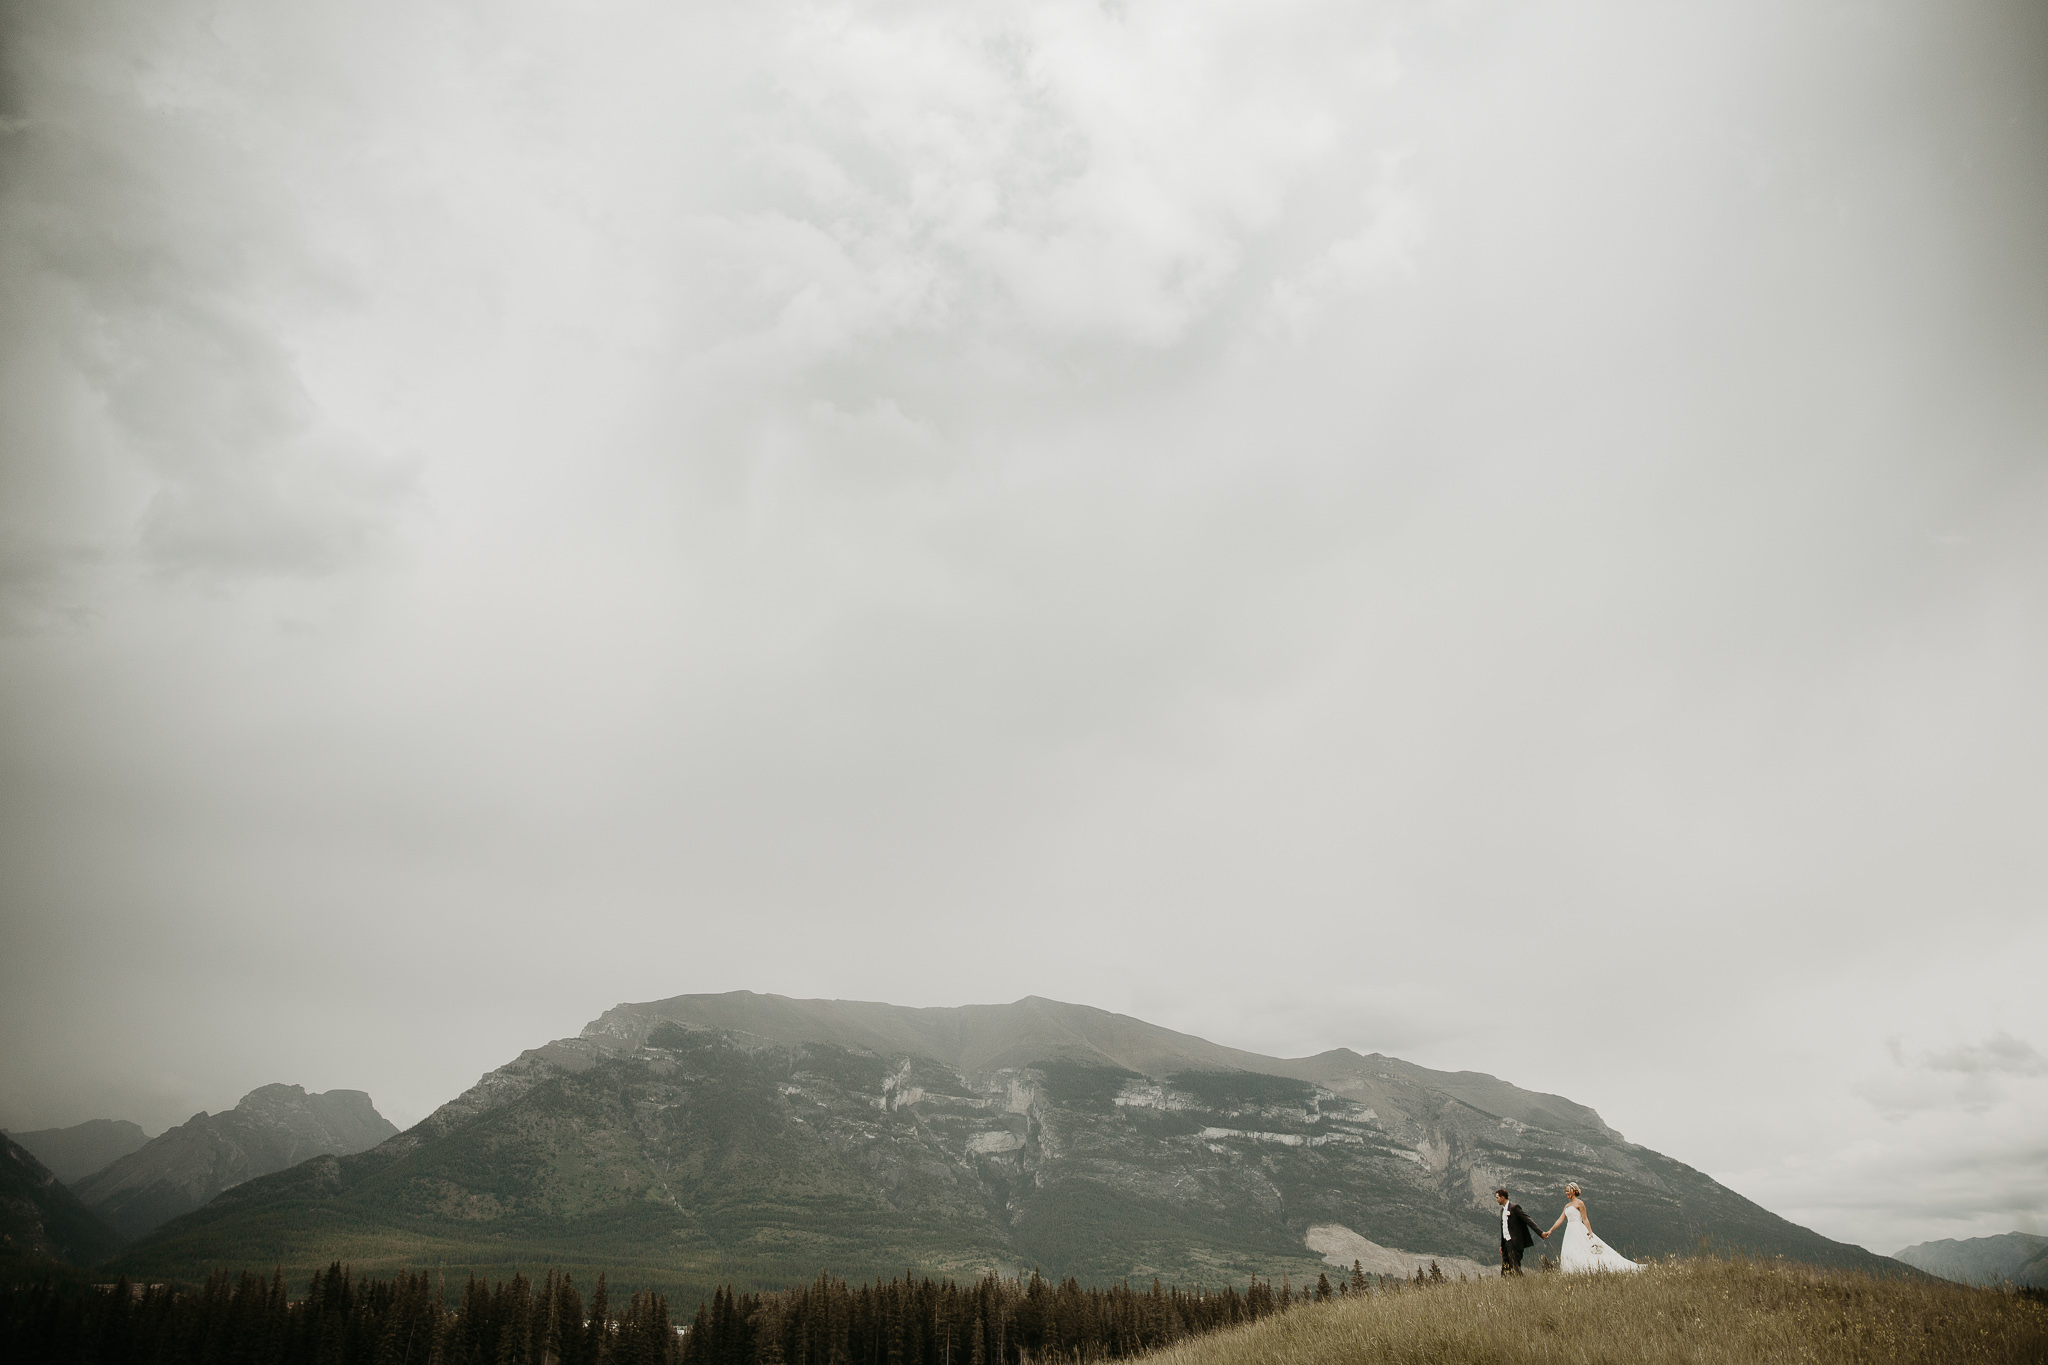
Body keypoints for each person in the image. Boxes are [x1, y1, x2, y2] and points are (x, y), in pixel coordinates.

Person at [1542, 1182, 1644, 1274]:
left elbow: (1585, 1219)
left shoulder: (1580, 1203)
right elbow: (1560, 1220)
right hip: (1569, 1231)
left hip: (1578, 1229)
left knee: (1581, 1251)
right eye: (1565, 1192)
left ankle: (1585, 1270)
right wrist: (1550, 1230)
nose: (1566, 1193)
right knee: (1570, 1251)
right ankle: (1572, 1272)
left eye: (1567, 1191)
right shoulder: (1567, 1206)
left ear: (1573, 1192)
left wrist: (1590, 1232)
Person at [1494, 1187, 1547, 1275]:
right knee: (1505, 1268)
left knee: (1515, 1266)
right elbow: (1503, 1228)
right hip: (1506, 1243)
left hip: (1514, 1242)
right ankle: (1507, 1286)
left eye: (1497, 1197)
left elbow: (1527, 1220)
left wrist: (1540, 1233)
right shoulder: (1502, 1211)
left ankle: (1522, 1284)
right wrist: (1502, 1245)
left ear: (1503, 1197)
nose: (1496, 1200)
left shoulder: (1514, 1207)